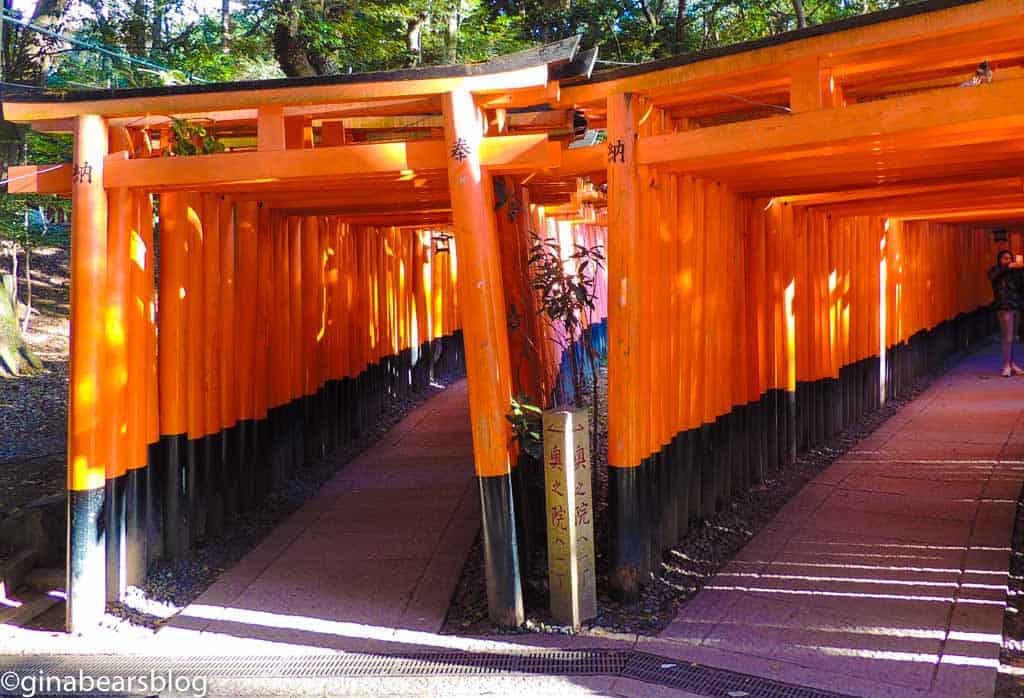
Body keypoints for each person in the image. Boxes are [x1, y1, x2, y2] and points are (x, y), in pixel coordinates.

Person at [988, 249, 1024, 376]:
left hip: (1016, 305)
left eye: (1009, 258)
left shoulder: (1015, 272)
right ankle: (1006, 366)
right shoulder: (995, 270)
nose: (1007, 260)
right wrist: (1008, 267)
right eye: (1004, 258)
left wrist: (1020, 269)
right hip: (1004, 306)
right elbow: (994, 277)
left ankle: (1011, 363)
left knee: (1014, 337)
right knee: (1007, 337)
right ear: (999, 259)